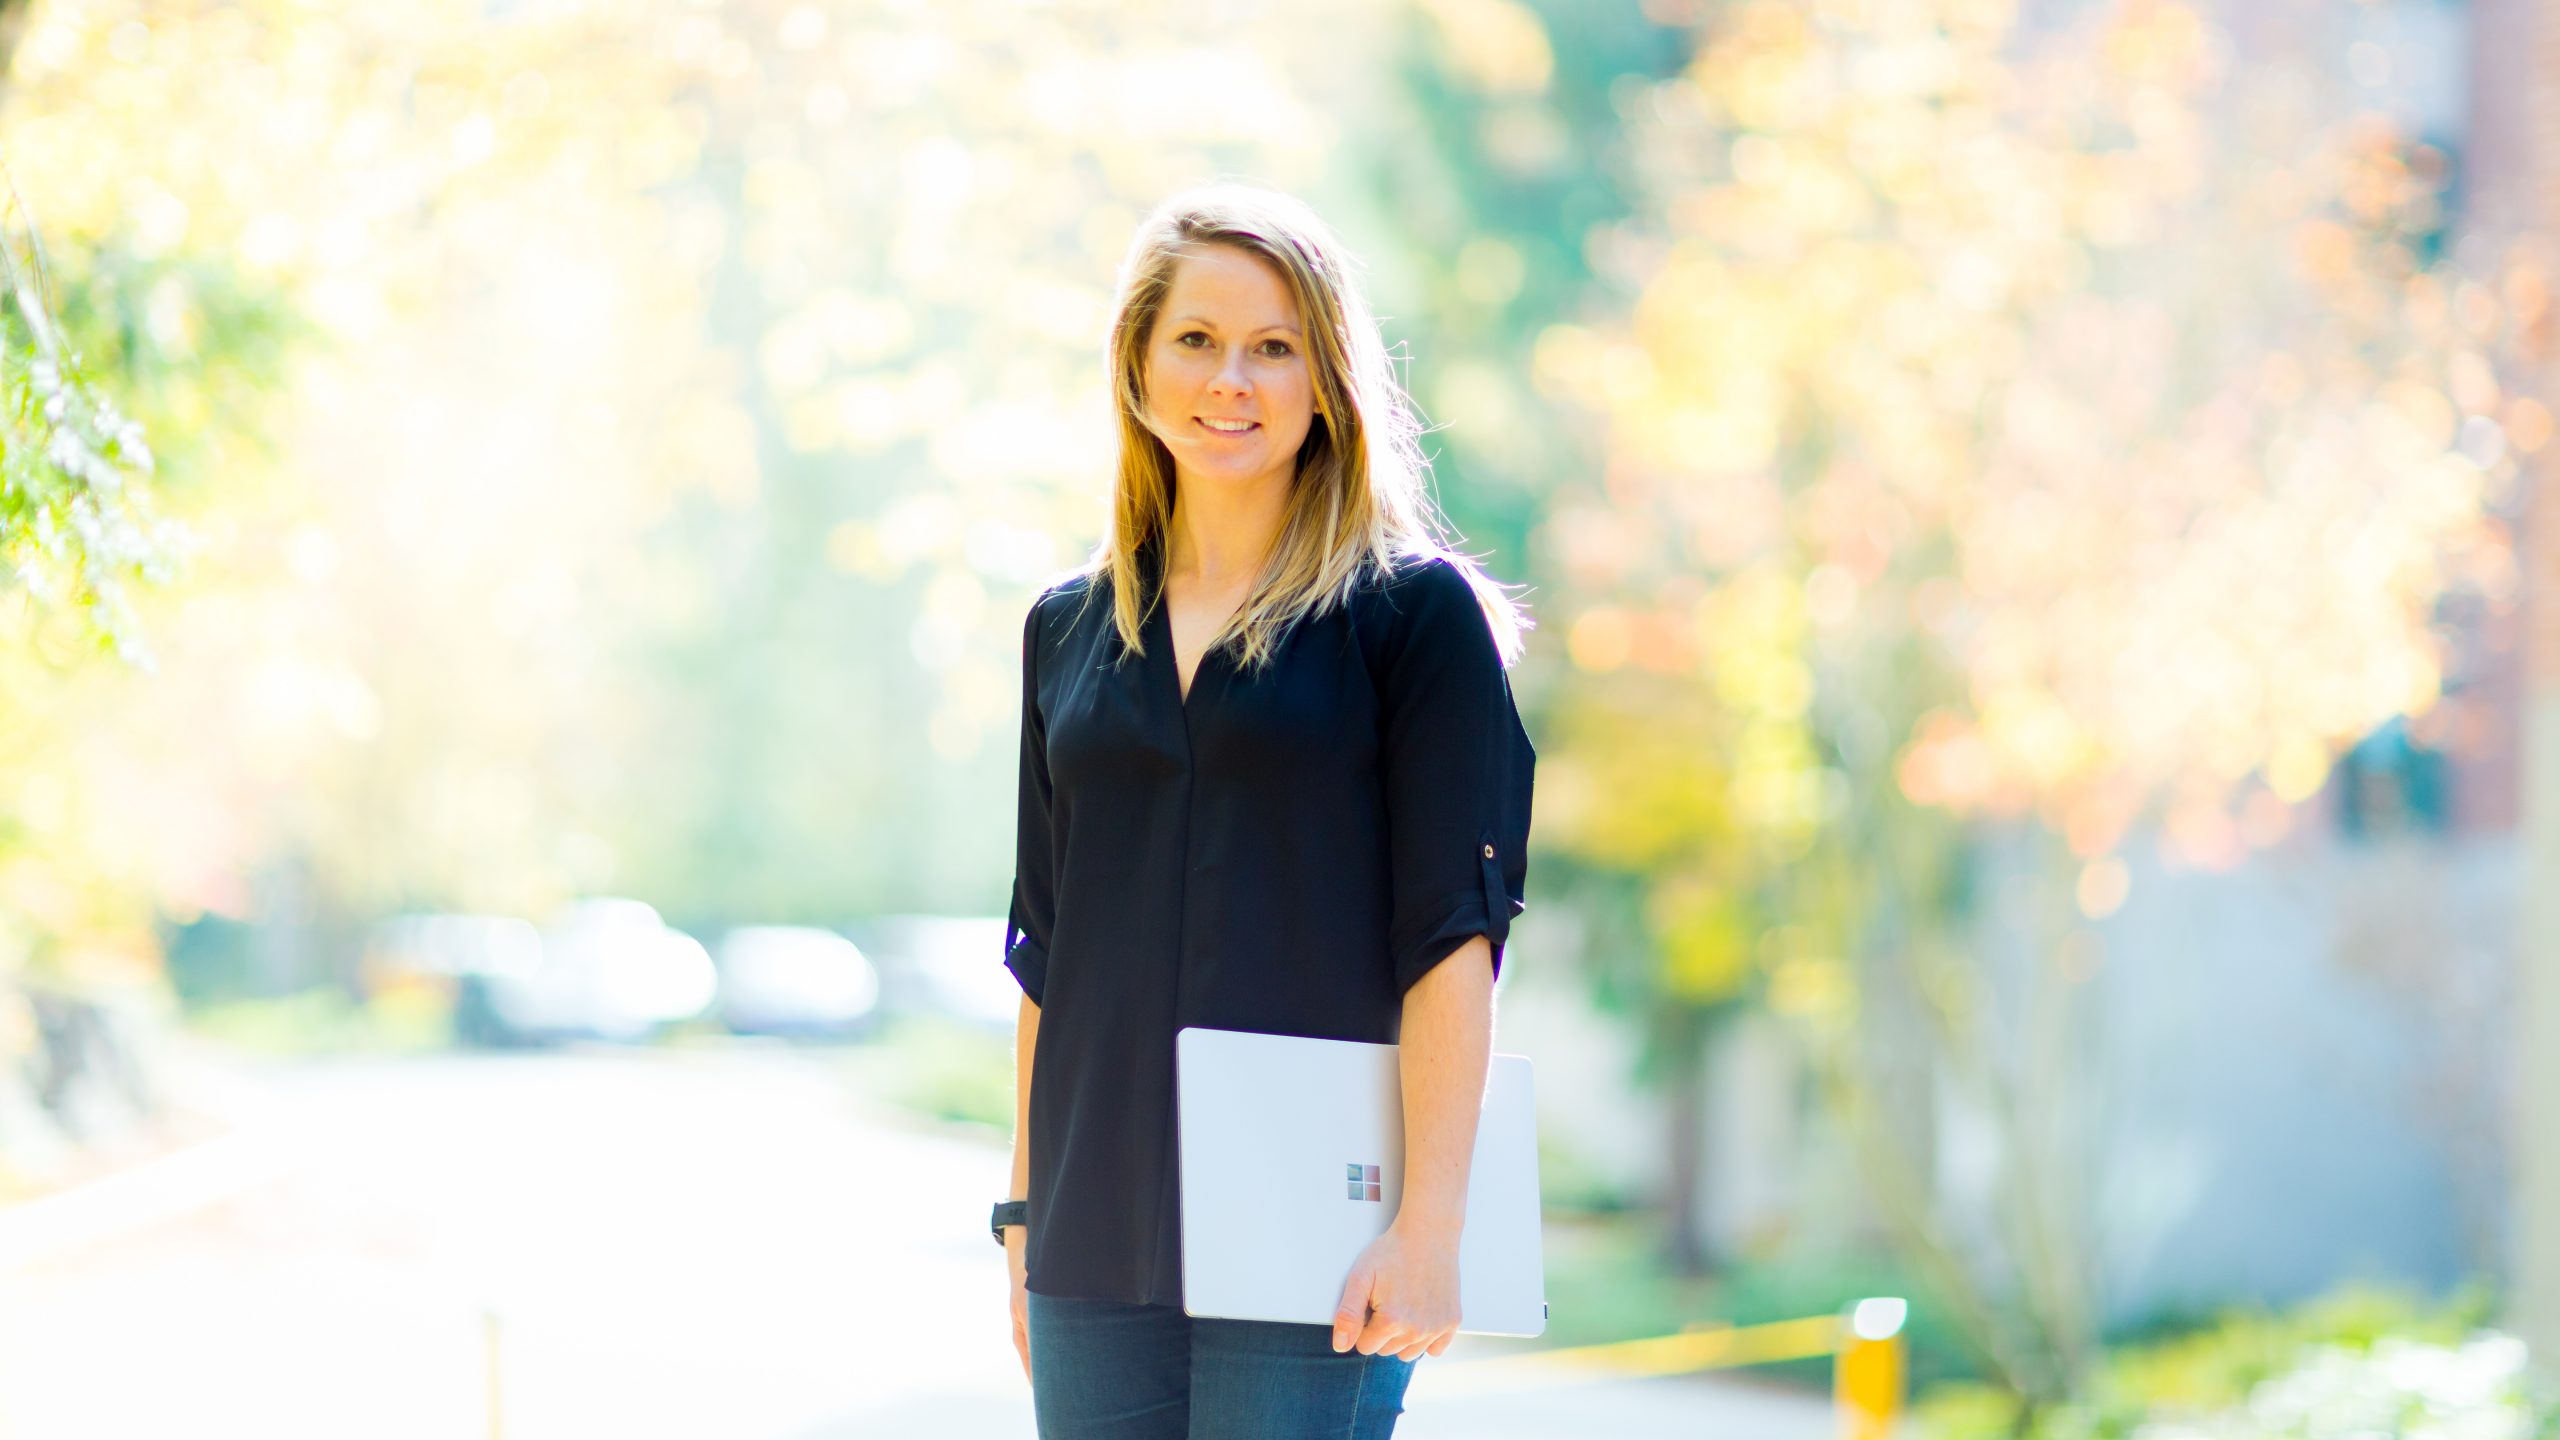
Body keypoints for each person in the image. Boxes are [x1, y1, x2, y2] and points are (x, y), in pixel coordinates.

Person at [995, 180, 1536, 1440]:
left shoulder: (1413, 620)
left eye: (1272, 347)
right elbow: (1043, 951)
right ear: (1137, 368)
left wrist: (1431, 1225)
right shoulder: (1064, 629)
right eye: (1194, 339)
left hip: (1319, 1231)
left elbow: (1456, 936)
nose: (1228, 379)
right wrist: (1022, 1218)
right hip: (1093, 1231)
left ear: (1325, 381)